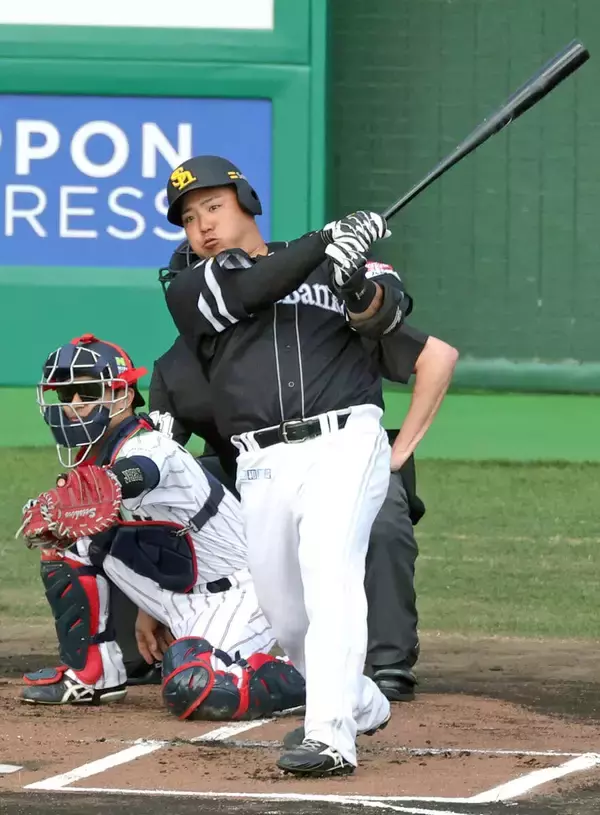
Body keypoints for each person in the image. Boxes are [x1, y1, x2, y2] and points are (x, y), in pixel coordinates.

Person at [162, 153, 417, 777]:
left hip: (343, 438)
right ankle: (359, 700)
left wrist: (354, 278)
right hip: (260, 461)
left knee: (331, 574)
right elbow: (252, 287)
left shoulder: (334, 261)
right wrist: (324, 240)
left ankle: (330, 737)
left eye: (214, 207)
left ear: (247, 201)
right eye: (190, 219)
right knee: (287, 617)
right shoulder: (192, 288)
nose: (203, 226)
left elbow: (390, 316)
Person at [145, 239, 459, 706]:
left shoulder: (309, 318)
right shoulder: (174, 366)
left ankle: (388, 660)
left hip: (333, 460)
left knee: (386, 518)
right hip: (242, 478)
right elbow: (163, 476)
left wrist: (394, 457)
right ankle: (152, 652)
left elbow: (436, 356)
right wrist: (156, 592)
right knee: (149, 499)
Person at [16, 333, 305, 721]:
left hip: (243, 593)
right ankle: (92, 673)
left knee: (198, 690)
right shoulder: (94, 456)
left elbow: (139, 474)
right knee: (67, 541)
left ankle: (310, 677)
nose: (73, 405)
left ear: (121, 394)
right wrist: (149, 607)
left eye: (86, 391)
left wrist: (113, 483)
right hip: (177, 590)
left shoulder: (152, 446)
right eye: (65, 395)